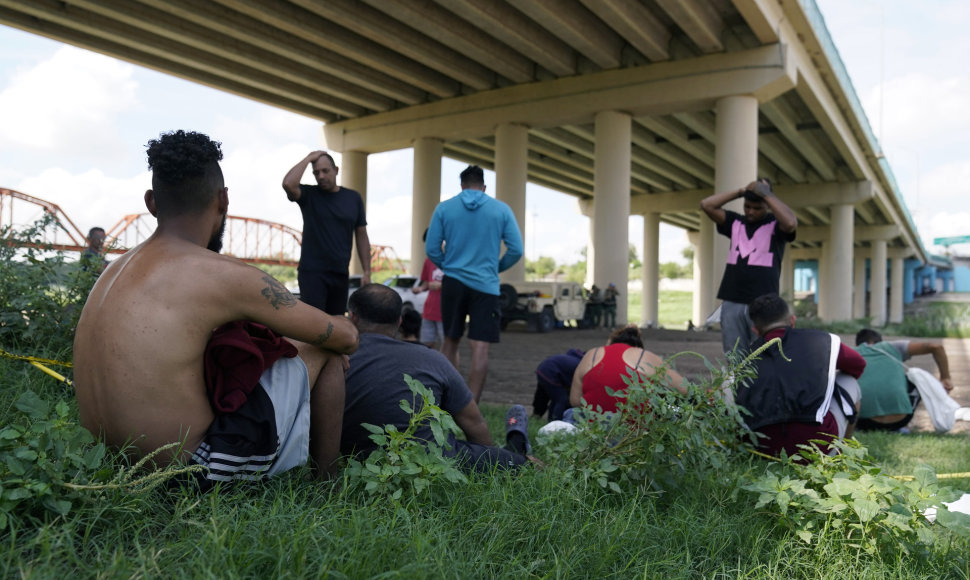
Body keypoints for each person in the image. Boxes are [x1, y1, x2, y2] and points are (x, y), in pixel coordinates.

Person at [73, 130, 359, 490]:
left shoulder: (111, 271)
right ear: (223, 200)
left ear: (151, 202)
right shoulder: (224, 274)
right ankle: (328, 485)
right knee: (325, 349)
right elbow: (346, 337)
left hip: (105, 460)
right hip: (183, 473)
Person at [341, 284, 532, 472]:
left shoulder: (337, 359)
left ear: (353, 317)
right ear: (399, 322)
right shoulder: (432, 359)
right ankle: (517, 449)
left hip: (353, 461)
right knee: (521, 464)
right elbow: (474, 423)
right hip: (432, 462)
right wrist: (489, 455)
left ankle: (514, 446)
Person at [425, 165, 523, 402]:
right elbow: (516, 249)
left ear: (461, 186)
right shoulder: (501, 210)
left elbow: (431, 249)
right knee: (480, 347)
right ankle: (472, 407)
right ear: (484, 187)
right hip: (486, 286)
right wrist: (494, 268)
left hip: (453, 283)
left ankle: (442, 402)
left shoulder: (444, 208)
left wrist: (448, 265)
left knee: (450, 340)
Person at [734, 294, 866, 457]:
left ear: (755, 330)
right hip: (818, 446)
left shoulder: (744, 358)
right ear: (792, 320)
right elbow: (858, 365)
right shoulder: (823, 341)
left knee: (727, 386)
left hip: (760, 448)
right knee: (849, 380)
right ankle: (843, 452)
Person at [700, 179, 797, 356]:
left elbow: (791, 223)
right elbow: (707, 205)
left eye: (757, 208)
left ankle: (761, 385)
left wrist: (767, 194)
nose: (751, 212)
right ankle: (738, 385)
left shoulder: (776, 225)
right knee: (734, 354)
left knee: (763, 354)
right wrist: (740, 191)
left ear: (767, 205)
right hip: (732, 299)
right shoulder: (735, 222)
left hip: (764, 302)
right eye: (747, 206)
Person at [283, 150, 371, 315]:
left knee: (336, 324)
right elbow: (288, 184)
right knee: (314, 325)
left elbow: (361, 235)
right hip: (312, 273)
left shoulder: (353, 198)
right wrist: (308, 158)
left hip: (340, 273)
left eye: (325, 171)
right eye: (316, 173)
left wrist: (367, 271)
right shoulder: (309, 195)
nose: (321, 176)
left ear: (336, 170)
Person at [569, 325, 686, 417]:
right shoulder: (645, 356)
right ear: (638, 346)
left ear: (610, 342)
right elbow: (684, 388)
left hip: (594, 429)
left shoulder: (592, 354)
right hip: (635, 433)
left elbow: (575, 401)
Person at [855, 328, 954, 432]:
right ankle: (902, 422)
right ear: (880, 341)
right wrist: (945, 377)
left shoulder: (852, 352)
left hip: (863, 422)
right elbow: (936, 346)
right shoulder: (892, 347)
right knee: (918, 379)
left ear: (858, 344)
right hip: (899, 421)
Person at [532, 348, 585, 421]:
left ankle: (536, 416)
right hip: (551, 371)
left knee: (543, 396)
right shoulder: (582, 365)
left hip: (542, 368)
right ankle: (554, 422)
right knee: (562, 400)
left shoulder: (575, 358)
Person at [413, 228, 445, 349]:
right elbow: (426, 283)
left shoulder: (452, 259)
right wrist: (420, 289)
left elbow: (459, 283)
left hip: (445, 310)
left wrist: (441, 285)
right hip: (429, 309)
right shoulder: (428, 260)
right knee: (426, 344)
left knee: (448, 345)